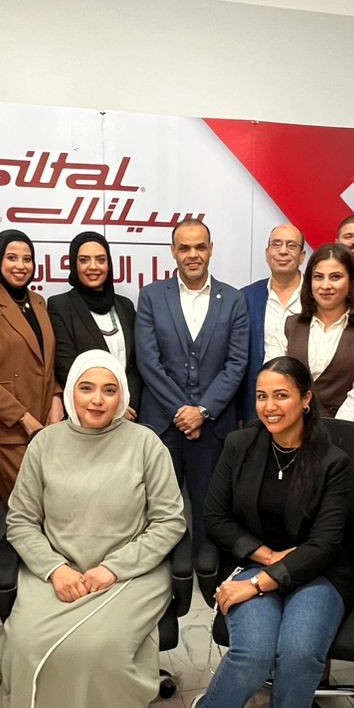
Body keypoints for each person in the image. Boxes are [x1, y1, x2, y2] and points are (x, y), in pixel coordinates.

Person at [0, 351, 187, 708]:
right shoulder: (44, 444)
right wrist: (54, 569)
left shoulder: (146, 444)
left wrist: (112, 569)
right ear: (70, 392)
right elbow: (20, 521)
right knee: (27, 645)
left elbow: (170, 522)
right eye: (86, 388)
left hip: (130, 574)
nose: (97, 400)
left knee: (97, 652)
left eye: (108, 389)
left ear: (122, 394)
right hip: (57, 573)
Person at [179, 356, 351, 708]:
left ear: (306, 399)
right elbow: (214, 517)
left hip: (317, 574)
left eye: (281, 395)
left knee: (299, 653)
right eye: (261, 396)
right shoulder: (240, 445)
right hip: (256, 561)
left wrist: (261, 582)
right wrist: (266, 558)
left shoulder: (333, 460)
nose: (270, 406)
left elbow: (325, 544)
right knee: (253, 654)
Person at [133, 218, 249, 548]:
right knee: (160, 507)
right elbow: (148, 362)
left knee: (209, 505)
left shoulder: (233, 299)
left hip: (213, 425)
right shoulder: (152, 296)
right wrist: (183, 411)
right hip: (162, 424)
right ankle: (168, 563)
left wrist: (202, 411)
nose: (192, 254)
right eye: (184, 248)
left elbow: (236, 363)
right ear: (173, 251)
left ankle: (205, 560)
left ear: (211, 249)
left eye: (200, 247)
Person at [0, 231, 65, 503]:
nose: (20, 265)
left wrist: (56, 399)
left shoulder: (38, 302)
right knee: (27, 510)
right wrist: (24, 418)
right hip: (9, 430)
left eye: (27, 259)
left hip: (46, 424)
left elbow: (47, 360)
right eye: (12, 258)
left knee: (55, 508)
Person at [267, 243, 354, 420]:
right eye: (318, 277)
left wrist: (335, 430)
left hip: (341, 430)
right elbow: (273, 380)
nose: (325, 285)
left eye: (335, 277)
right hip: (289, 426)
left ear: (351, 283)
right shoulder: (287, 326)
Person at [47, 231, 144, 418]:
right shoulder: (60, 305)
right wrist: (111, 406)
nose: (93, 267)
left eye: (101, 260)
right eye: (84, 260)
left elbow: (134, 364)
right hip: (87, 413)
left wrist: (124, 403)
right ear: (74, 264)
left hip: (129, 414)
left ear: (109, 264)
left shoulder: (125, 305)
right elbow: (66, 365)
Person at [240, 223, 306, 403]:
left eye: (291, 245)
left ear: (302, 256)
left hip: (303, 399)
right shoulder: (246, 298)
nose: (283, 251)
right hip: (257, 401)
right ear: (267, 253)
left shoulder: (317, 296)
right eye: (276, 244)